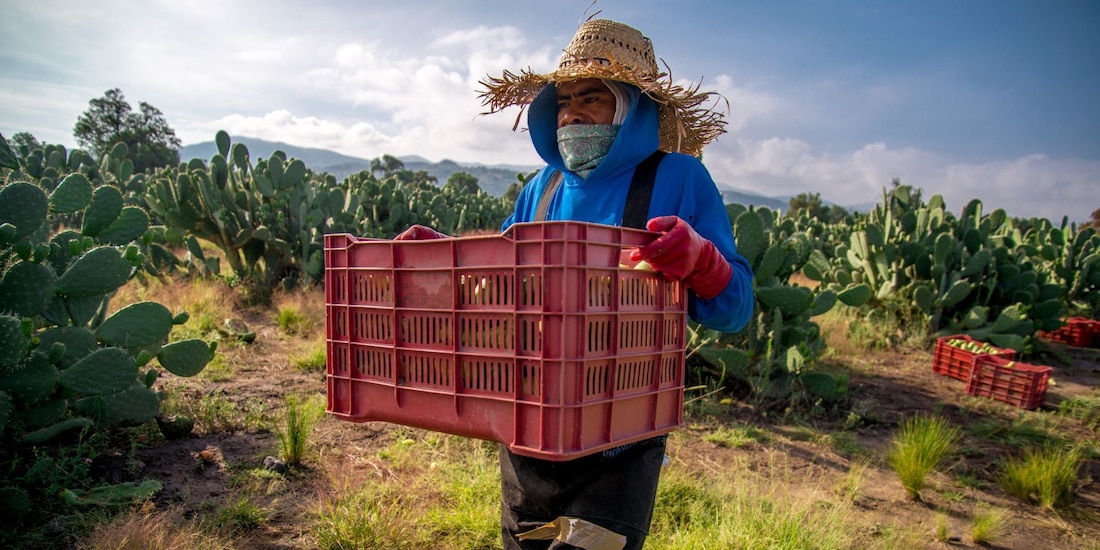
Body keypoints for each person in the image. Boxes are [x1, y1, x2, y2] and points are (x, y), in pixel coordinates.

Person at [398, 18, 753, 549]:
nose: (571, 114)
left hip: (621, 438)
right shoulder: (541, 187)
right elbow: (502, 291)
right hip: (529, 424)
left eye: (592, 98)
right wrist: (445, 261)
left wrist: (702, 261)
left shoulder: (678, 178)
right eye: (564, 101)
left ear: (631, 107)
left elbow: (735, 308)